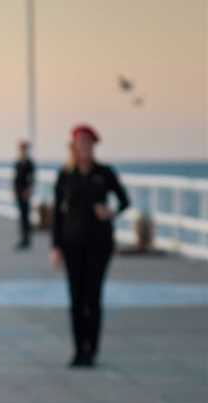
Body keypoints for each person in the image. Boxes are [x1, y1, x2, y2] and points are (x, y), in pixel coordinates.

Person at [50, 125, 130, 368]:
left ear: (94, 146)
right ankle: (78, 350)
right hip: (72, 244)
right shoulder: (66, 174)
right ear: (73, 146)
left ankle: (91, 349)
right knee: (75, 299)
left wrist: (110, 212)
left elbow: (125, 201)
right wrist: (56, 247)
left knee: (92, 298)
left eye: (88, 143)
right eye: (80, 143)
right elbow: (57, 214)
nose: (84, 147)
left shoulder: (104, 173)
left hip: (99, 244)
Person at [13, 140, 35, 249]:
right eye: (21, 149)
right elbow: (15, 178)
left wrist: (29, 190)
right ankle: (23, 238)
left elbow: (32, 179)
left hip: (25, 193)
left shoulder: (29, 163)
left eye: (24, 149)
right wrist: (14, 191)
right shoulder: (18, 162)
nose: (22, 151)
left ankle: (26, 239)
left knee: (25, 216)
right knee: (21, 216)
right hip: (18, 192)